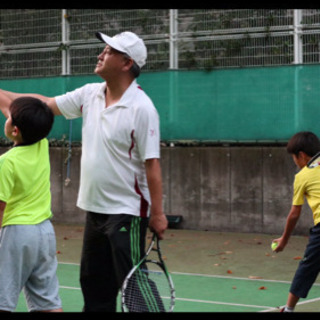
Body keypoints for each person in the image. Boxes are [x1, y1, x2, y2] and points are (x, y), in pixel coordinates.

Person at [0, 31, 168, 312]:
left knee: (134, 287)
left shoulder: (142, 108)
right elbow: (43, 105)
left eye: (108, 51)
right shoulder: (90, 94)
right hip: (94, 212)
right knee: (94, 288)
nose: (100, 55)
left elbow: (152, 164)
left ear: (126, 63)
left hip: (126, 213)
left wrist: (159, 214)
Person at [0, 96, 63, 312]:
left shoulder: (6, 162)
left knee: (2, 301)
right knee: (48, 303)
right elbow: (12, 110)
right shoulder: (41, 144)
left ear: (15, 130)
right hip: (45, 233)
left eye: (9, 118)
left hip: (16, 235)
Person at [272, 131, 320, 312]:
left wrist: (284, 239)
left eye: (294, 157)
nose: (294, 161)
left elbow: (294, 213)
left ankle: (289, 309)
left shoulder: (303, 176)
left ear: (301, 155)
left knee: (307, 268)